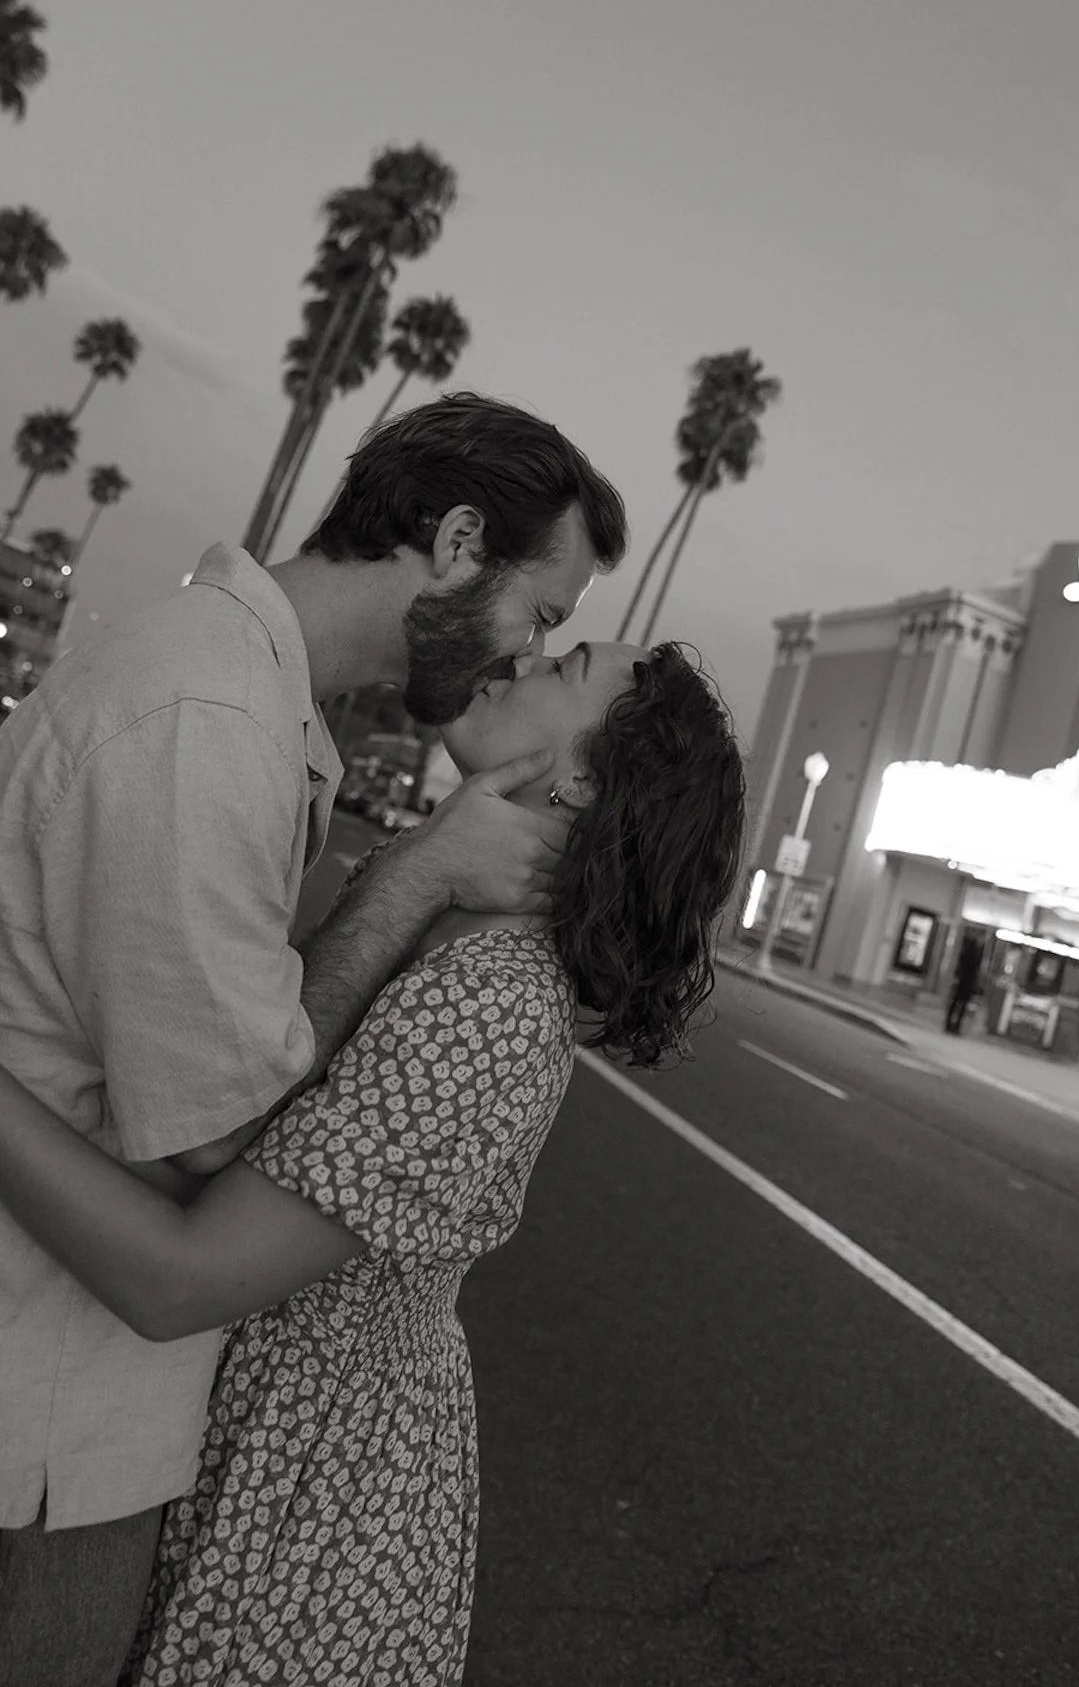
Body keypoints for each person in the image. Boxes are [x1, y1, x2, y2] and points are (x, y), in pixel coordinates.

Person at [0, 392, 627, 1687]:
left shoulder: (251, 707)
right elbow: (215, 1142)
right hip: (43, 1429)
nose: (519, 652)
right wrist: (407, 881)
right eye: (543, 615)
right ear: (458, 544)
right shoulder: (210, 718)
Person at [943, 934, 985, 1035]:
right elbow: (975, 971)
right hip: (967, 984)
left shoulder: (965, 954)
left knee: (955, 1004)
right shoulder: (976, 957)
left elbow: (959, 968)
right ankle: (956, 1026)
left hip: (961, 982)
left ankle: (949, 1024)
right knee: (961, 1007)